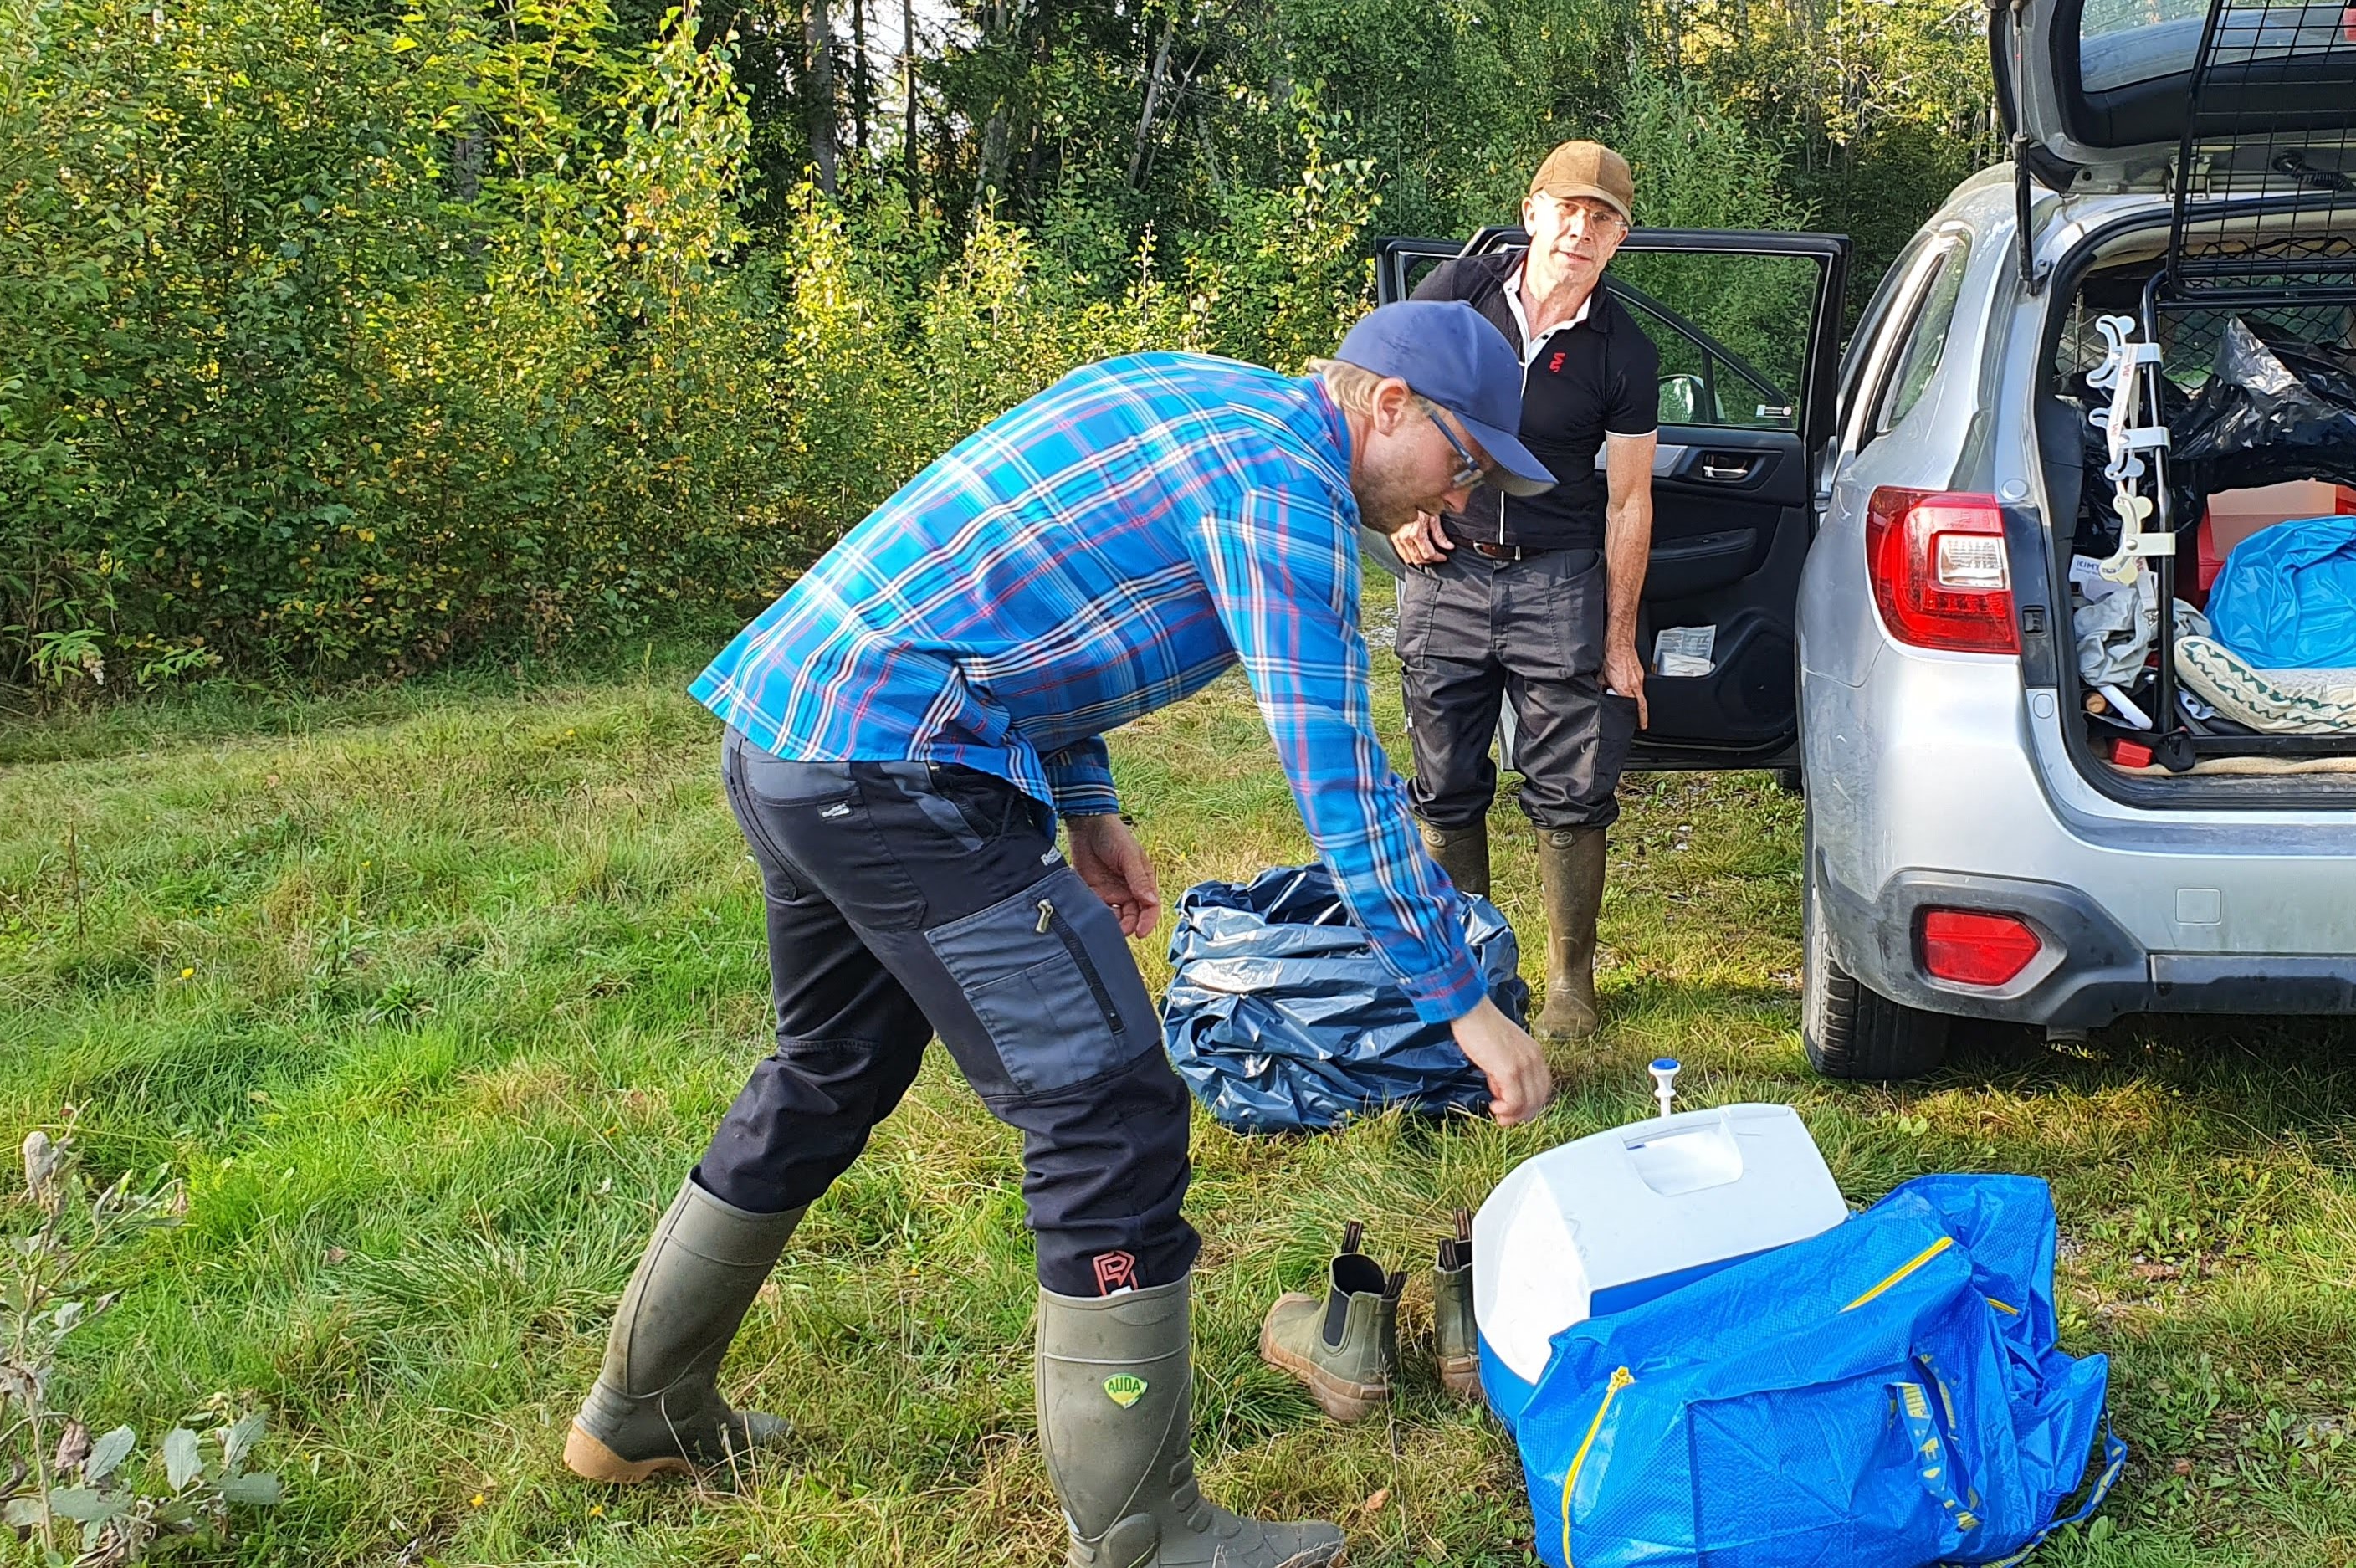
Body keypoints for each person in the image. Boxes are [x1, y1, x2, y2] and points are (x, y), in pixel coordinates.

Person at [562, 302, 1558, 1568]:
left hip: (795, 728)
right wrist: (1458, 994)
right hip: (892, 765)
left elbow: (1030, 592)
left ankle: (637, 1413)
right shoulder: (1282, 487)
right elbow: (1340, 779)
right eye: (1462, 463)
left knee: (830, 1071)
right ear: (1388, 406)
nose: (1462, 500)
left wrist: (1084, 802)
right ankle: (1143, 1534)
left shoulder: (1198, 394)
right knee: (1108, 1103)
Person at [1393, 141, 1662, 1042]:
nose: (1582, 229)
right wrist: (1391, 509)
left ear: (1620, 239)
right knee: (1443, 780)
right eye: (1570, 209)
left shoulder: (1623, 349)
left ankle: (1568, 987)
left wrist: (1620, 639)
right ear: (1533, 211)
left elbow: (1629, 501)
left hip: (1558, 579)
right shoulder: (1454, 295)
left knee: (1573, 786)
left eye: (1604, 218)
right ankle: (1475, 967)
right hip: (1445, 573)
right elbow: (1361, 396)